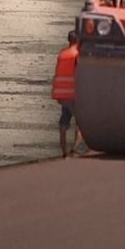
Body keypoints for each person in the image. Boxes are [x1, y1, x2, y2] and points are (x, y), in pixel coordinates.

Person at [51, 30, 85, 158]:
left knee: (63, 123)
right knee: (81, 123)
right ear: (78, 41)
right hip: (74, 94)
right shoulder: (78, 55)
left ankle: (64, 152)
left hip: (62, 95)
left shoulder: (62, 54)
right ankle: (74, 150)